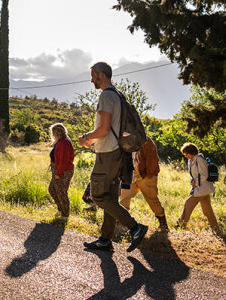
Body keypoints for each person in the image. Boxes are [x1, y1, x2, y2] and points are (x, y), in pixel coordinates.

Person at [76, 62, 148, 252]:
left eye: (93, 75)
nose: (91, 79)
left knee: (98, 195)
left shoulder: (106, 95)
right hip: (117, 152)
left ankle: (135, 228)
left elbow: (104, 128)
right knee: (110, 198)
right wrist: (95, 139)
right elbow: (114, 129)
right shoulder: (117, 95)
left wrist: (86, 138)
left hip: (107, 154)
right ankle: (105, 239)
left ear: (101, 74)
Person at [119, 137, 168, 231]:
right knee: (124, 198)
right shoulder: (123, 140)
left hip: (145, 176)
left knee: (152, 199)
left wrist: (149, 174)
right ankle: (122, 224)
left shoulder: (146, 141)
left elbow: (153, 158)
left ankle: (163, 223)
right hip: (130, 176)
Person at [175, 143, 219, 232]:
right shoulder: (191, 160)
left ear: (192, 152)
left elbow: (204, 174)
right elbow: (193, 174)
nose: (186, 155)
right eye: (185, 154)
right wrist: (193, 182)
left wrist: (196, 183)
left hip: (203, 188)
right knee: (207, 210)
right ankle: (216, 228)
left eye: (187, 153)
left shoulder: (199, 159)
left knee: (188, 203)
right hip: (202, 189)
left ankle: (181, 225)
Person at [48, 123, 75, 219]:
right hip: (58, 169)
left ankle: (65, 214)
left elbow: (63, 160)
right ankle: (60, 209)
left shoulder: (64, 143)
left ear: (56, 133)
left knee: (61, 192)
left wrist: (58, 174)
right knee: (52, 189)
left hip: (64, 171)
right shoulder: (60, 141)